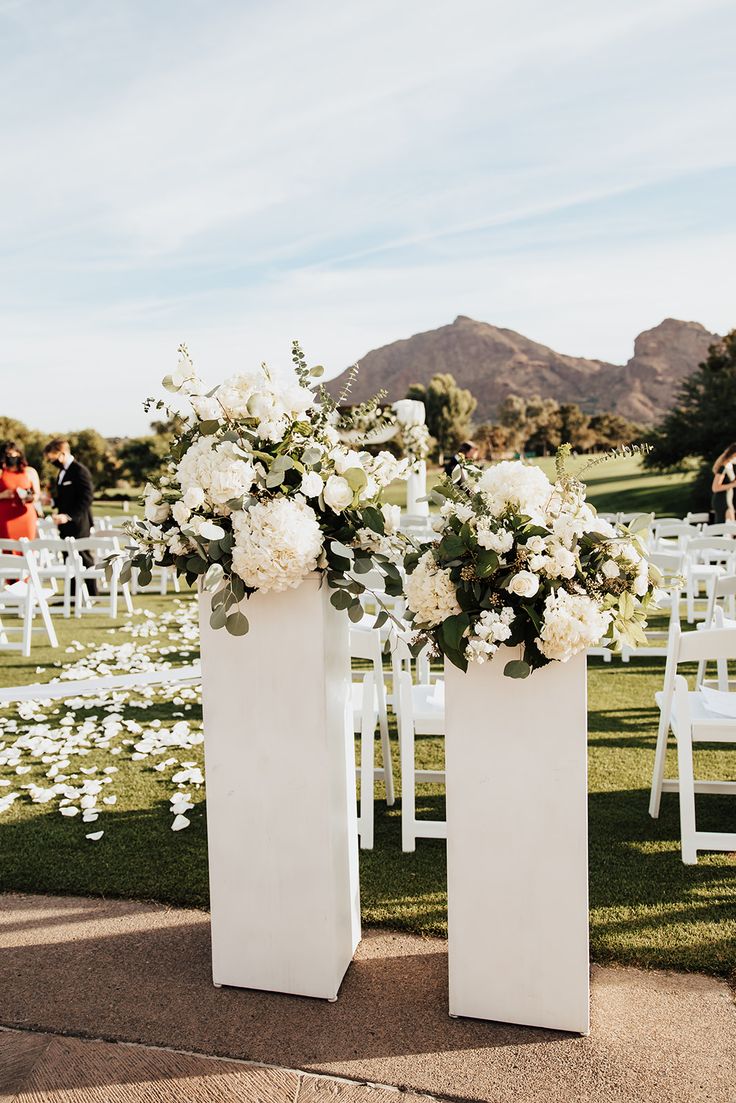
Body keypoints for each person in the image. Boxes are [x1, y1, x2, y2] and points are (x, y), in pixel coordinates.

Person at [43, 437, 97, 594]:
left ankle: (93, 594)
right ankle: (71, 596)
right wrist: (52, 501)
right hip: (64, 524)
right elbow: (66, 497)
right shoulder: (62, 472)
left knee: (83, 557)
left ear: (62, 454)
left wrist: (69, 516)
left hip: (79, 523)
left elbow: (86, 498)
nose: (51, 462)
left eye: (52, 459)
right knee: (68, 558)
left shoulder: (79, 471)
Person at [0, 441, 40, 542]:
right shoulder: (1, 473)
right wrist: (2, 495)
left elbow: (37, 494)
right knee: (8, 549)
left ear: (19, 454)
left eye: (13, 454)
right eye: (7, 454)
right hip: (5, 517)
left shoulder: (30, 471)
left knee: (28, 548)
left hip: (25, 516)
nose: (10, 457)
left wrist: (30, 497)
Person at [711, 443, 736, 523]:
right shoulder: (723, 467)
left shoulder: (729, 466)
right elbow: (715, 488)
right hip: (722, 501)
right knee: (727, 529)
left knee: (730, 530)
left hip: (728, 500)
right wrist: (733, 484)